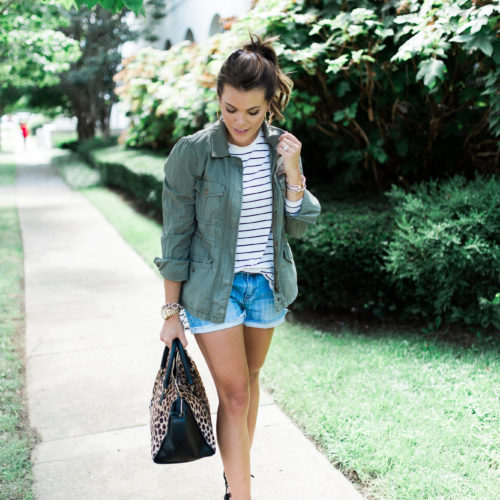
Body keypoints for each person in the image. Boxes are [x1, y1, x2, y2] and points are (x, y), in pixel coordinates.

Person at [154, 33, 321, 500]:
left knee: (247, 384)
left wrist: (293, 172)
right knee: (235, 394)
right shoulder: (194, 152)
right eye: (230, 109)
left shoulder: (280, 149)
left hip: (266, 287)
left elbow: (301, 226)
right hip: (213, 290)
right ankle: (242, 495)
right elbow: (176, 237)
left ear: (271, 104)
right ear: (219, 98)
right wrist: (170, 314)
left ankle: (234, 483)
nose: (240, 121)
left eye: (253, 111)